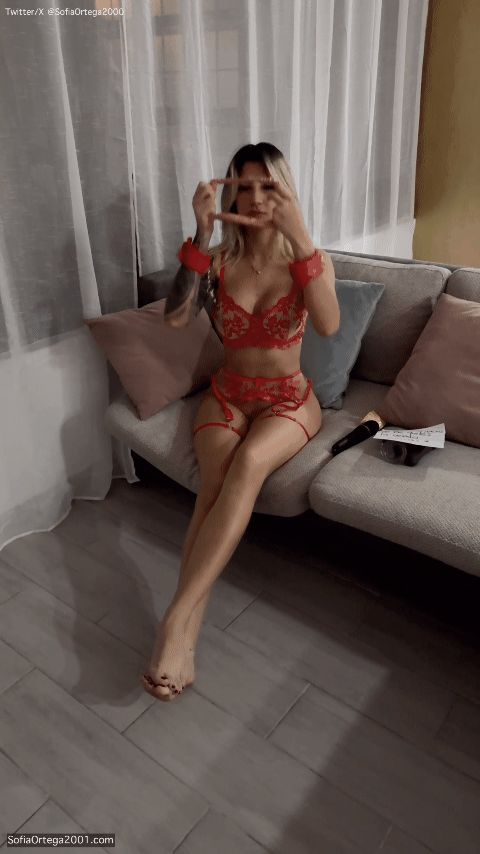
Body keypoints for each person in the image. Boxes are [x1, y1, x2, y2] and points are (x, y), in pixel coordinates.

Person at [142, 142, 340, 701]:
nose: (255, 198)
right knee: (211, 488)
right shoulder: (217, 261)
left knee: (250, 461)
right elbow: (176, 320)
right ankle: (183, 645)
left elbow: (328, 324)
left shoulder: (309, 257)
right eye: (243, 186)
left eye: (267, 186)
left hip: (288, 402)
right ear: (228, 193)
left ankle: (175, 620)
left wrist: (301, 238)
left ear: (285, 191)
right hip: (228, 396)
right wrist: (200, 232)